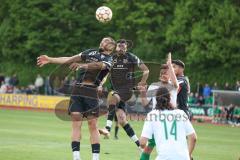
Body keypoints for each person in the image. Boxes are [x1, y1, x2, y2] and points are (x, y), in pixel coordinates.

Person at [37, 37, 116, 160]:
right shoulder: (90, 52)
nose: (102, 42)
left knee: (92, 125)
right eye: (102, 40)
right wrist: (50, 59)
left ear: (112, 47)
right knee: (76, 123)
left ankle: (95, 158)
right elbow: (69, 59)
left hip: (91, 92)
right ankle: (76, 157)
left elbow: (99, 66)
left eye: (105, 41)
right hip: (77, 91)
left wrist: (82, 65)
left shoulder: (109, 59)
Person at [99, 39, 149, 150]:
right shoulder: (111, 59)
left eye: (123, 46)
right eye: (119, 46)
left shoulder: (131, 57)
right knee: (122, 120)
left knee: (113, 96)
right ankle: (140, 147)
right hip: (116, 91)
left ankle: (107, 128)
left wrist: (142, 82)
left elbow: (146, 70)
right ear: (116, 47)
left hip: (126, 90)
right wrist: (101, 84)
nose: (121, 48)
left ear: (126, 48)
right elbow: (106, 74)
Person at [139, 53, 179, 160]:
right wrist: (142, 92)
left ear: (171, 75)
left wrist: (170, 64)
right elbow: (144, 103)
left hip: (170, 120)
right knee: (148, 148)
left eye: (167, 73)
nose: (164, 75)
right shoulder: (154, 86)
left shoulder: (173, 86)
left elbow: (176, 83)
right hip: (156, 120)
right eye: (162, 73)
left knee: (172, 148)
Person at [140, 87, 197, 160]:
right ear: (170, 98)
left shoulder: (152, 115)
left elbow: (142, 143)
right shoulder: (181, 113)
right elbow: (193, 138)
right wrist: (189, 154)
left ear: (156, 100)